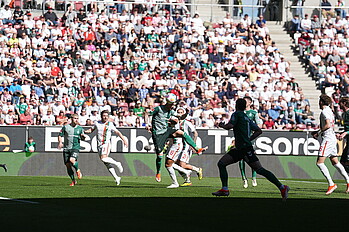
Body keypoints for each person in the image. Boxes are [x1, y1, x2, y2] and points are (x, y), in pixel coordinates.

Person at [212, 98, 290, 201]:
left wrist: (222, 125)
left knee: (259, 169)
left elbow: (230, 126)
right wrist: (249, 139)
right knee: (222, 163)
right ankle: (224, 189)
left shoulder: (237, 114)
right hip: (242, 148)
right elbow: (258, 131)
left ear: (236, 105)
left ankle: (282, 187)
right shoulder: (246, 118)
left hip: (244, 149)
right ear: (244, 106)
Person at [146, 93, 207, 182]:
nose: (173, 106)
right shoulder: (158, 109)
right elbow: (147, 113)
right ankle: (158, 172)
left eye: (173, 104)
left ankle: (197, 148)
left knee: (182, 133)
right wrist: (147, 124)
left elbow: (181, 117)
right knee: (159, 156)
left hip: (167, 131)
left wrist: (186, 113)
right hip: (158, 134)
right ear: (168, 103)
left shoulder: (171, 112)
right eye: (172, 104)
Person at [312, 94, 349, 195]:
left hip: (328, 139)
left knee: (319, 163)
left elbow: (328, 125)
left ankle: (331, 184)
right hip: (331, 138)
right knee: (335, 162)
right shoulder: (329, 111)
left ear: (321, 102)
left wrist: (317, 132)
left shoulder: (325, 111)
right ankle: (348, 181)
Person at [85, 110, 128, 185]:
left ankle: (117, 163)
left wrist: (124, 140)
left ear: (108, 117)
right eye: (104, 115)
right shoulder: (97, 123)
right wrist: (83, 132)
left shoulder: (110, 124)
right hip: (99, 145)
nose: (105, 117)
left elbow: (117, 132)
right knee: (106, 162)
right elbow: (91, 130)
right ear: (101, 116)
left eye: (106, 116)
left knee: (103, 158)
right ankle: (116, 177)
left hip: (106, 143)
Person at [165, 107, 203, 188]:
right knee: (175, 163)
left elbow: (195, 133)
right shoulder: (176, 122)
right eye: (178, 112)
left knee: (181, 164)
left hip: (186, 146)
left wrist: (193, 144)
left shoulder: (187, 123)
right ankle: (187, 179)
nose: (179, 113)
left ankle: (196, 170)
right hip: (179, 146)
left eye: (181, 112)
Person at [239, 96, 262, 188]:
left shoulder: (253, 113)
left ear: (250, 103)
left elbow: (259, 125)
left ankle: (254, 177)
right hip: (240, 139)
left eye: (245, 101)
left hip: (250, 139)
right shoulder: (239, 113)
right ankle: (244, 179)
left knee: (252, 158)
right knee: (241, 159)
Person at [58, 114, 85, 186]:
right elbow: (60, 135)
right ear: (71, 119)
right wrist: (60, 142)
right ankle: (73, 181)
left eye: (77, 118)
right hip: (66, 148)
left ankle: (77, 170)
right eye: (75, 118)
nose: (76, 120)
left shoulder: (80, 128)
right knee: (68, 165)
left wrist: (83, 137)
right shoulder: (66, 127)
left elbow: (83, 138)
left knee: (72, 160)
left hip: (75, 148)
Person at [338, 97, 349, 173]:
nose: (339, 105)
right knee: (342, 162)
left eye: (340, 103)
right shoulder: (344, 114)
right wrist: (342, 133)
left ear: (344, 103)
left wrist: (346, 133)